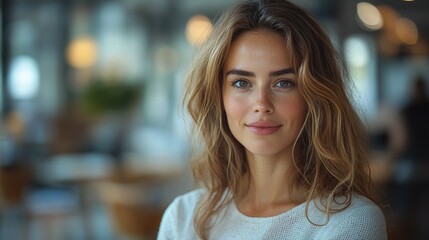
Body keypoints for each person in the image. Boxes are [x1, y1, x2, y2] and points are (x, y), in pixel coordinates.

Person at [157, 0, 387, 239]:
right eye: (241, 83)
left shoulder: (350, 222)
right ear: (219, 96)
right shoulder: (183, 217)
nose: (261, 105)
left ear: (315, 96)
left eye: (283, 83)